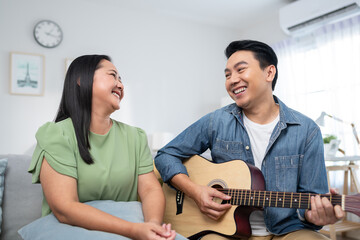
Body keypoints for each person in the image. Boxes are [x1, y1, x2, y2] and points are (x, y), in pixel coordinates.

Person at [155, 40, 345, 239]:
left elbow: (312, 202)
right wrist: (194, 191)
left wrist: (318, 215)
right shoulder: (216, 121)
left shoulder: (307, 130)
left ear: (269, 73)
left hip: (287, 231)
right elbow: (165, 155)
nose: (232, 80)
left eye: (240, 70)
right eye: (227, 75)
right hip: (225, 231)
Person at [28, 55, 181, 240]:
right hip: (71, 228)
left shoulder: (136, 137)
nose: (121, 85)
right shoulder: (56, 134)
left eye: (121, 79)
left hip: (132, 225)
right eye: (112, 75)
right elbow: (65, 209)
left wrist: (153, 226)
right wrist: (133, 230)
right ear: (81, 80)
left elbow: (150, 190)